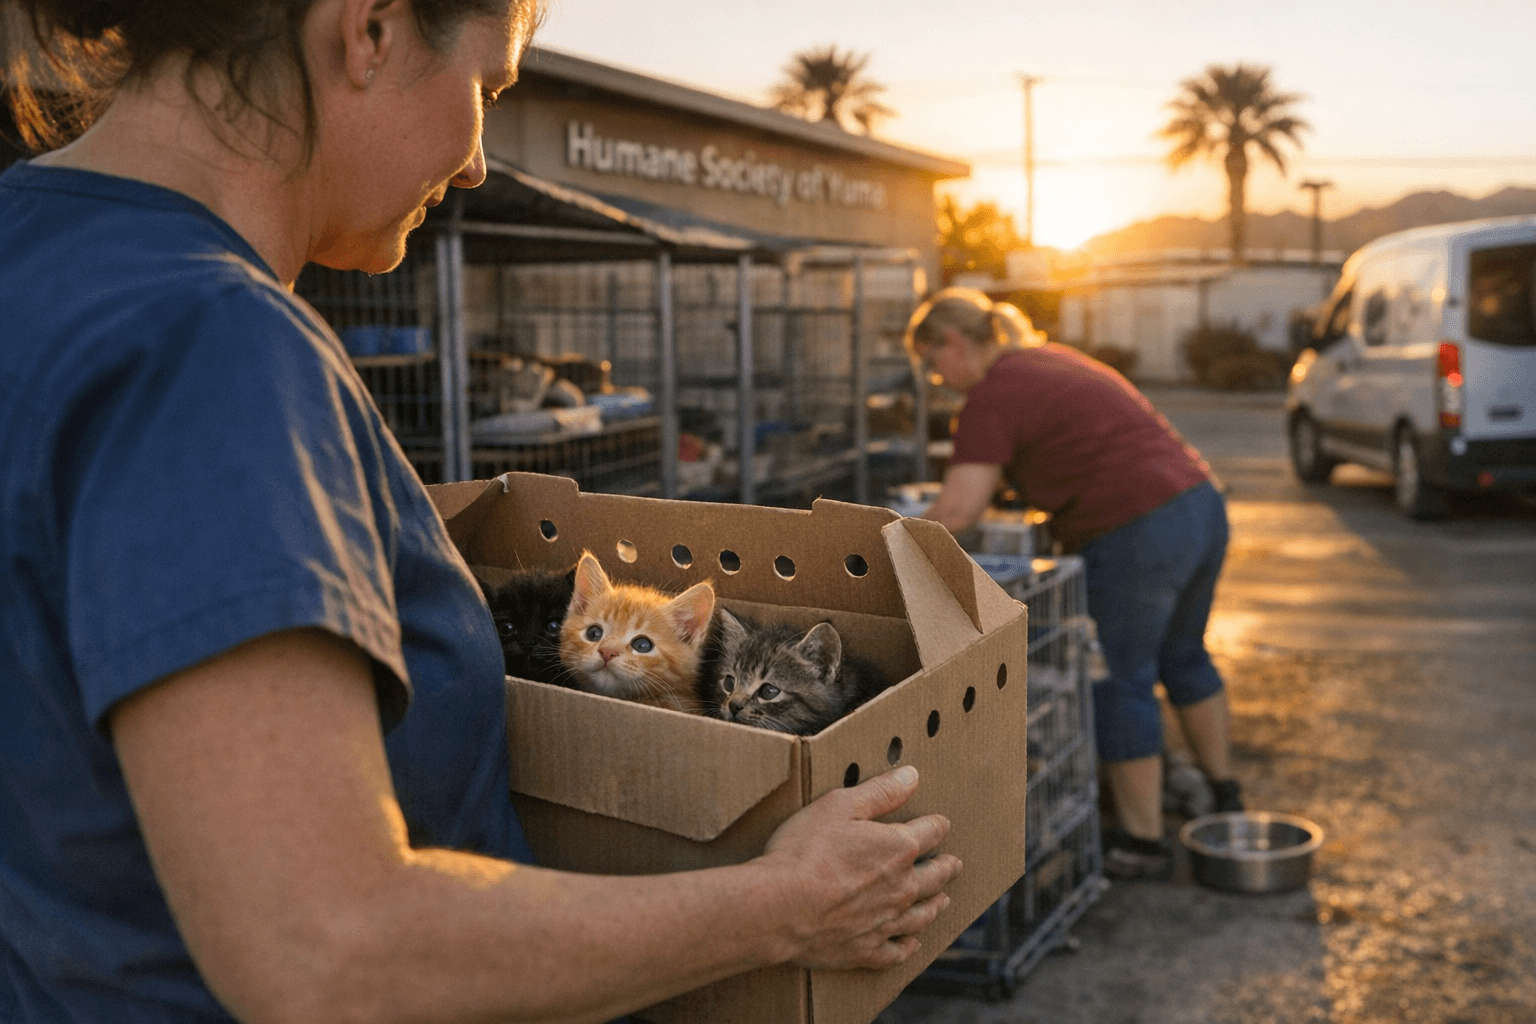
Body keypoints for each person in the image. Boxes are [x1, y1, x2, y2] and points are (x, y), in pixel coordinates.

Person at [0, 2, 964, 1021]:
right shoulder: (212, 344)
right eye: (489, 90)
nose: (473, 165)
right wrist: (787, 905)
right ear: (369, 27)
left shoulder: (35, 256)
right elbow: (329, 950)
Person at [904, 287, 1242, 881]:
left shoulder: (992, 395)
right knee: (1184, 655)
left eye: (935, 366)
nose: (940, 381)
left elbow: (959, 512)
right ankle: (1224, 795)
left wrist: (881, 544)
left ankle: (1142, 842)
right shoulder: (1050, 359)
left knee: (1118, 677)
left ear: (953, 343)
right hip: (1199, 504)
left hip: (1137, 526)